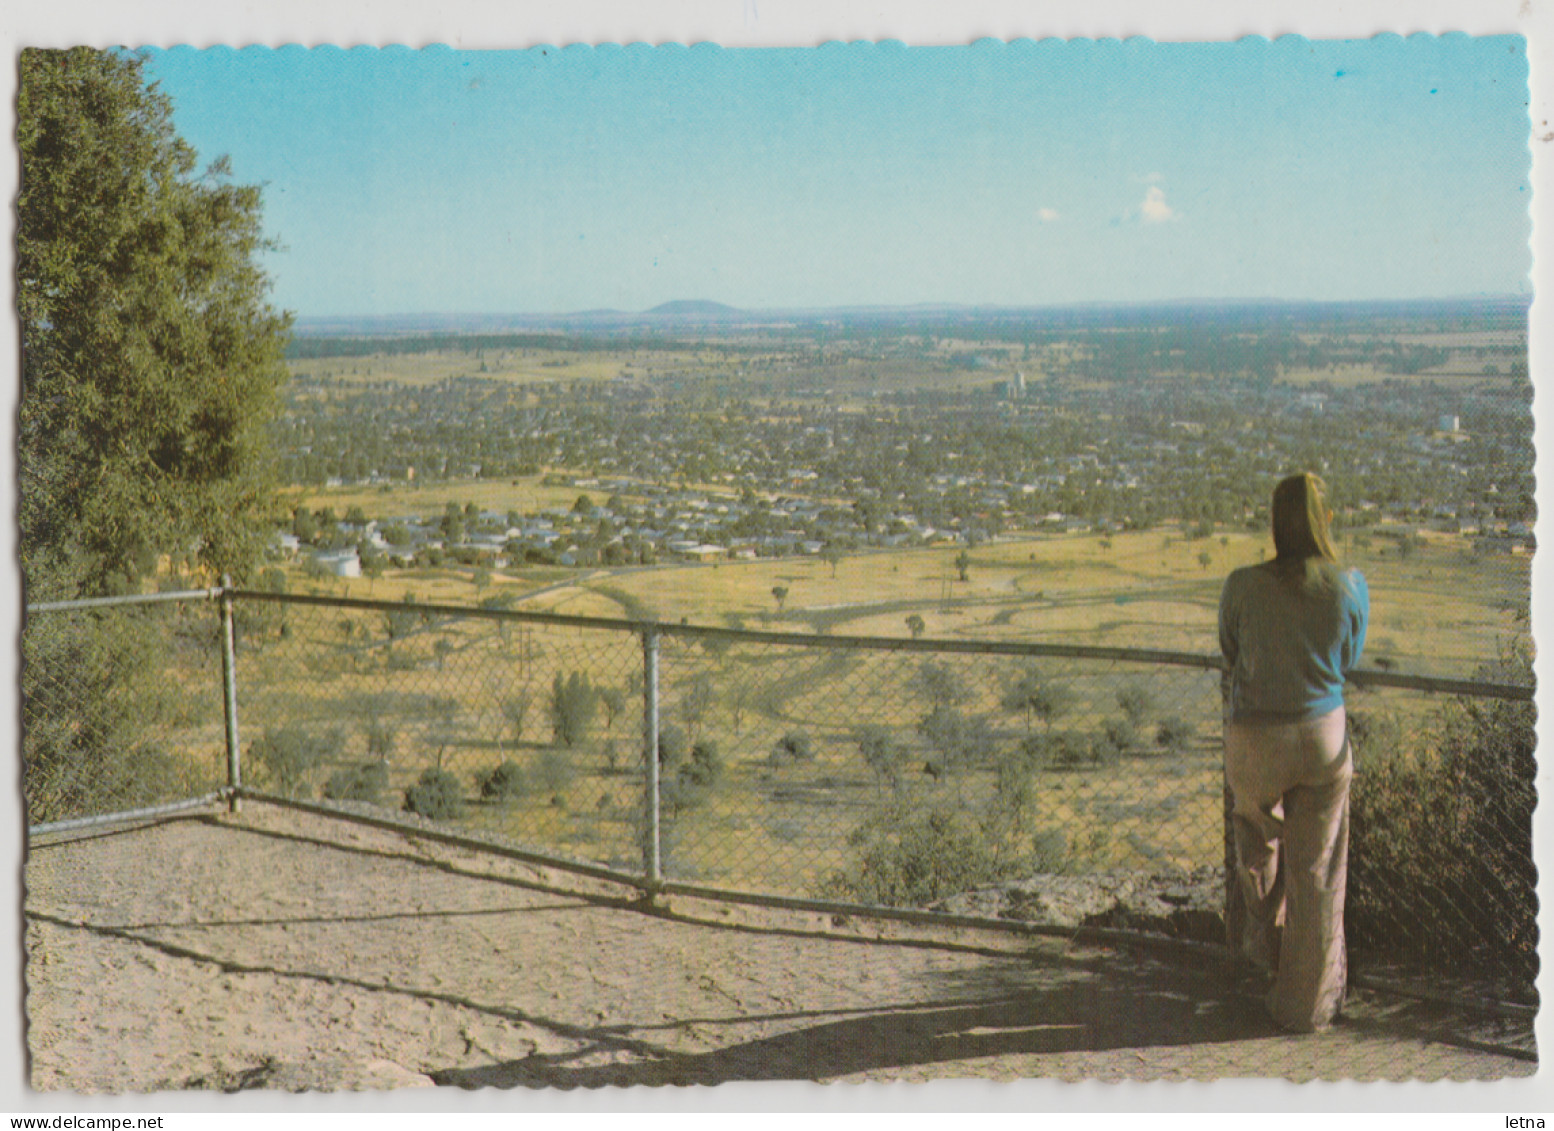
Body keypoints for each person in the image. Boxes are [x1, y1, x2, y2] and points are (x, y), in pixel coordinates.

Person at [1218, 472, 1368, 1032]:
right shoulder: (1349, 584)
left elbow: (1229, 649)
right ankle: (1304, 1006)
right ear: (1325, 519)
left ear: (1275, 524)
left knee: (1256, 838)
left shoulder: (1241, 584)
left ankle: (1261, 951)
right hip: (1321, 736)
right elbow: (1346, 656)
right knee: (1318, 867)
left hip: (1255, 737)